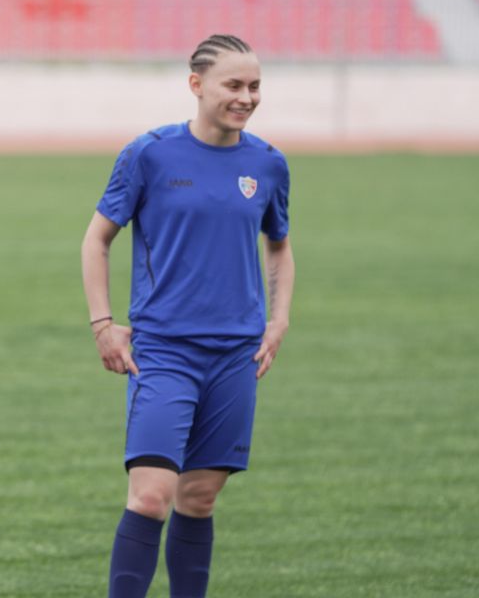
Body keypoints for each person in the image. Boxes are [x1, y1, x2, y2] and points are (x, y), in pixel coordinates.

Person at [80, 34, 296, 598]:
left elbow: (278, 244)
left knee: (198, 499)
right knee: (151, 495)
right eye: (234, 85)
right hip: (164, 350)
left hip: (235, 355)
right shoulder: (149, 154)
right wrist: (103, 324)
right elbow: (97, 238)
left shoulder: (268, 163)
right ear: (196, 84)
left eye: (255, 86)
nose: (246, 97)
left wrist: (279, 320)